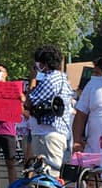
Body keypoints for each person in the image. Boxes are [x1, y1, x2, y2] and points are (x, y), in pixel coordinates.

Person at [25, 45, 75, 173]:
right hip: (55, 132)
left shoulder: (50, 80)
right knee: (49, 174)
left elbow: (29, 103)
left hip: (47, 134)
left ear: (44, 63)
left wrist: (32, 80)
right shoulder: (62, 77)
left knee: (47, 176)